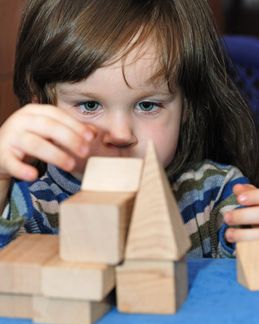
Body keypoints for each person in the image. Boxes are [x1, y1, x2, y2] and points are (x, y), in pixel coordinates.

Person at [0, 0, 258, 257]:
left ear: (186, 107)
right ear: (42, 104)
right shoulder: (30, 206)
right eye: (89, 105)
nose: (121, 134)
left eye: (147, 106)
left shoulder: (216, 195)